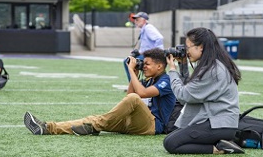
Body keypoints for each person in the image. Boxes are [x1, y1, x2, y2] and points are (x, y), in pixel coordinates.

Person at [24, 48, 176, 136]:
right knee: (93, 119)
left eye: (147, 64)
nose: (144, 67)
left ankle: (97, 125)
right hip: (133, 123)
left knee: (132, 99)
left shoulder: (166, 80)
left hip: (152, 126)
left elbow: (139, 95)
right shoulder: (147, 80)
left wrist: (129, 69)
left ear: (160, 67)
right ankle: (47, 128)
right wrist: (134, 74)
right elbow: (129, 95)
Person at [163, 27, 244, 155]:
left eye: (188, 47)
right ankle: (221, 143)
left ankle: (219, 149)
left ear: (200, 47)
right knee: (175, 134)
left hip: (219, 124)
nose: (186, 51)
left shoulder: (212, 70)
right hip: (217, 122)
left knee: (171, 143)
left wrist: (172, 71)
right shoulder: (212, 65)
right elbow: (189, 88)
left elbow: (183, 96)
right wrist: (183, 65)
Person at [123, 12, 164, 81]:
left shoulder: (148, 28)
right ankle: (134, 84)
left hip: (150, 56)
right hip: (146, 55)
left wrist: (157, 54)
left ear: (144, 20)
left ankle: (133, 85)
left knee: (128, 61)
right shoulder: (144, 29)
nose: (136, 22)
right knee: (128, 61)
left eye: (137, 20)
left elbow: (159, 38)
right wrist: (138, 52)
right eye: (135, 20)